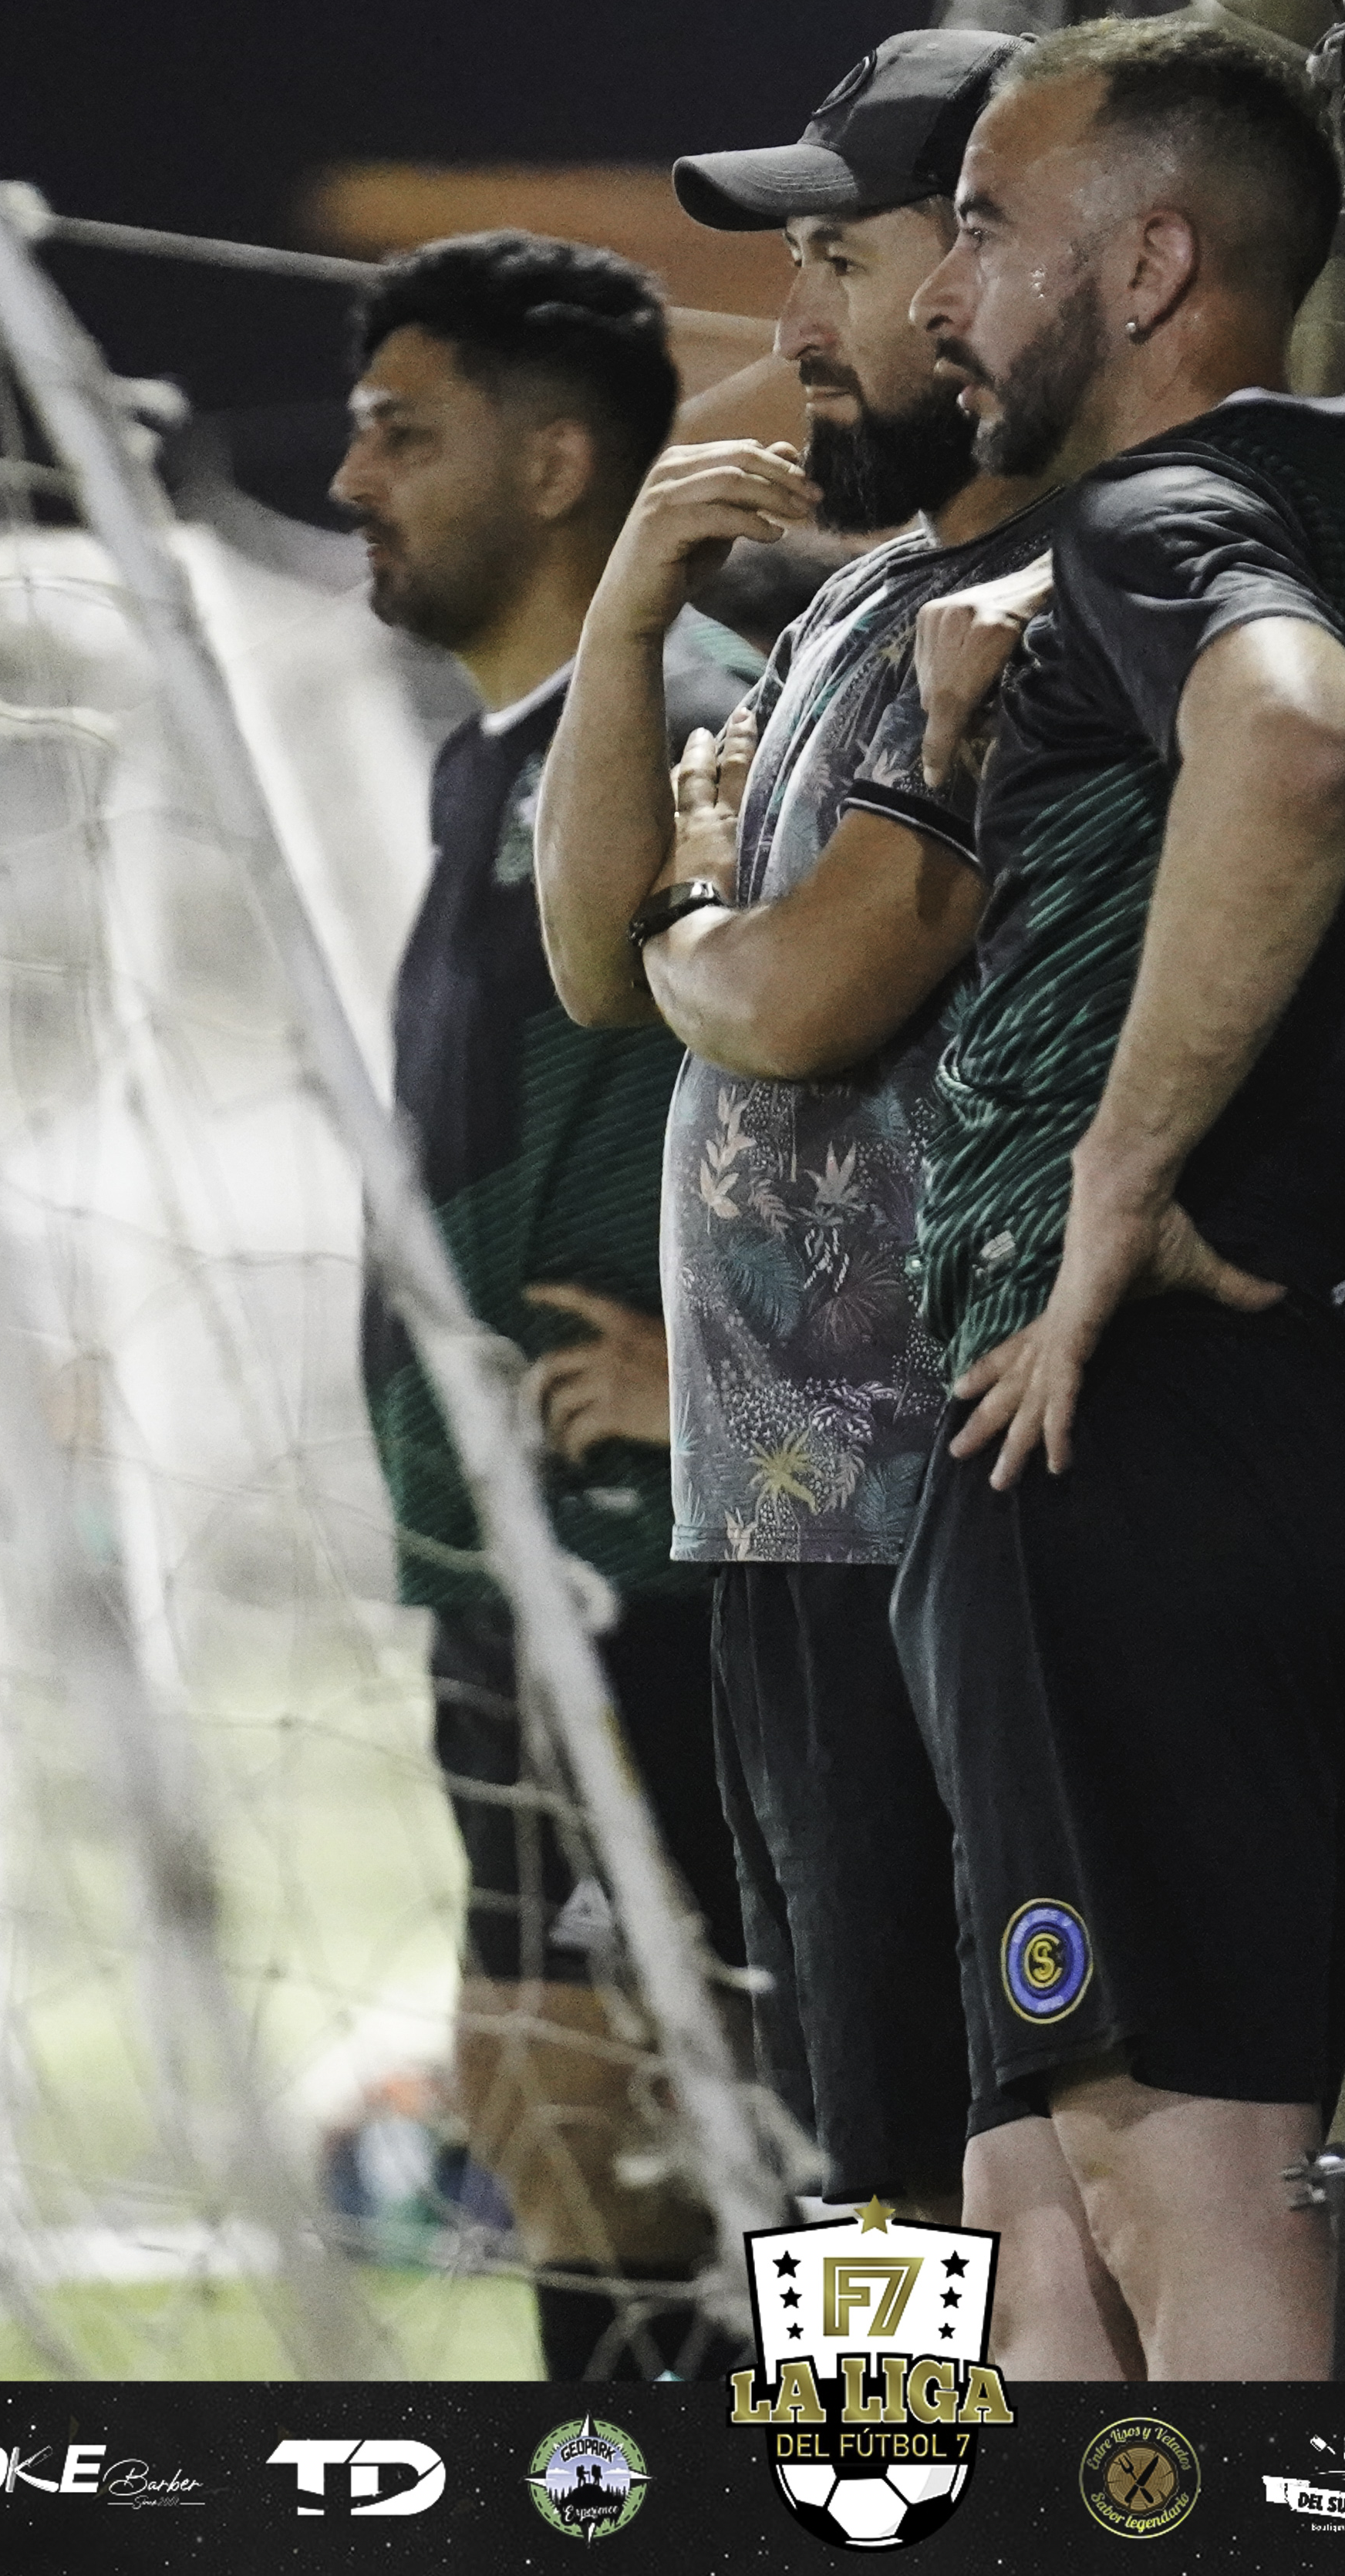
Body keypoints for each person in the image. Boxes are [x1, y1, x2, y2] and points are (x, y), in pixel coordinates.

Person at [895, 16, 1345, 2378]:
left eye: (988, 224)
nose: (944, 288)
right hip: (1314, 1402)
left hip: (1115, 1418)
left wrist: (1118, 1188)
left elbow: (1292, 731)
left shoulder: (1157, 523)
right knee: (1038, 2205)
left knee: (1184, 2184)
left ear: (1153, 265)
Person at [533, 31, 1060, 2222]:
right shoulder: (860, 592)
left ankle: (911, 2429)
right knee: (868, 2130)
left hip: (947, 1498)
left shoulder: (1057, 603)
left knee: (971, 2142)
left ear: (989, 263)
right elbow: (594, 960)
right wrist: (626, 613)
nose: (797, 321)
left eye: (842, 260)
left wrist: (693, 918)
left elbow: (765, 990)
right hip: (784, 1505)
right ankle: (879, 2425)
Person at [334, 230, 760, 2379]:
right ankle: (636, 2496)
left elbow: (861, 1076)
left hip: (662, 1569)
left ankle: (865, 2487)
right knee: (559, 2104)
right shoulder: (494, 762)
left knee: (745, 2109)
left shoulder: (692, 728)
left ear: (558, 461)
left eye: (401, 434)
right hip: (519, 1567)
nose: (350, 480)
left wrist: (734, 1374)